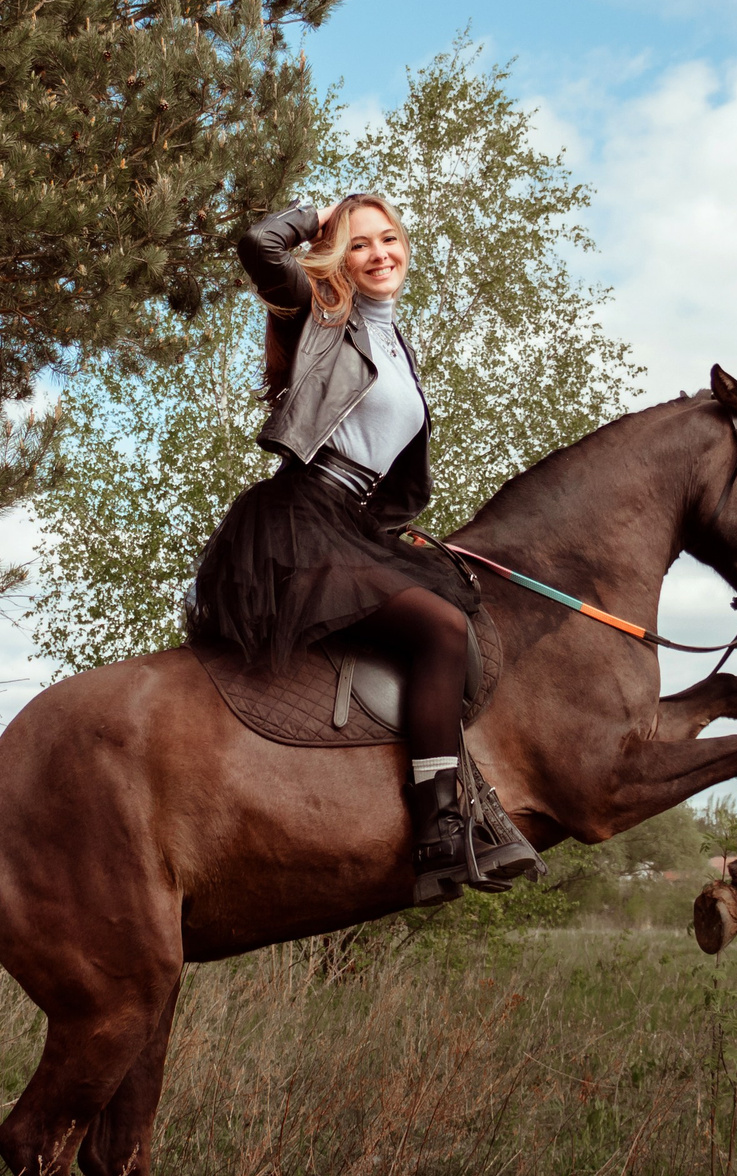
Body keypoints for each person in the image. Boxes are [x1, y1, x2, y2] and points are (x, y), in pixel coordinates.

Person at [185, 193, 538, 904]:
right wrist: (317, 214)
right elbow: (258, 245)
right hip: (296, 519)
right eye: (359, 243)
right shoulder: (321, 315)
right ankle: (439, 827)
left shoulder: (402, 343)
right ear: (335, 258)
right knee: (441, 628)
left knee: (461, 599)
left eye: (389, 238)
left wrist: (392, 524)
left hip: (353, 521)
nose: (380, 253)